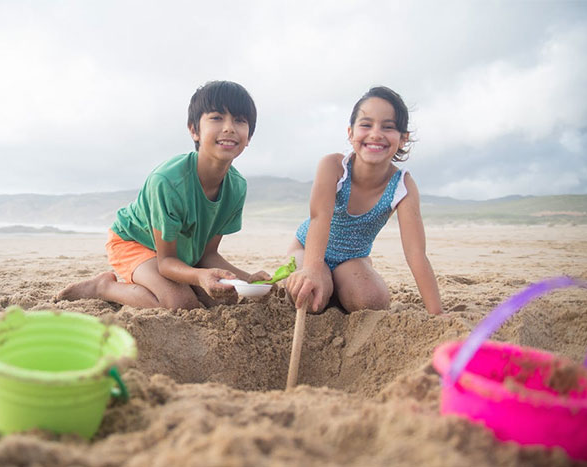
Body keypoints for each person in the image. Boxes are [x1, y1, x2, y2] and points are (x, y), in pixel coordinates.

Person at [57, 81, 269, 310]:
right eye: (217, 117)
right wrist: (199, 277)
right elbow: (166, 262)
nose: (229, 127)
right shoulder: (168, 182)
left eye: (240, 120)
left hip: (177, 254)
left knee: (217, 299)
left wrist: (248, 280)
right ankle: (103, 287)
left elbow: (207, 255)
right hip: (134, 243)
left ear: (248, 137)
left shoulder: (236, 187)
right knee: (180, 303)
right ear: (194, 130)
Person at [285, 86, 442, 315]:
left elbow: (416, 253)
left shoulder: (403, 186)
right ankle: (324, 281)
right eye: (366, 125)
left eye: (388, 127)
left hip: (351, 259)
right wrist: (311, 269)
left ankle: (341, 281)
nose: (376, 134)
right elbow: (320, 218)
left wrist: (436, 313)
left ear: (403, 139)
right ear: (351, 133)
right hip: (308, 249)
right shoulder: (333, 167)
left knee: (372, 301)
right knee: (309, 299)